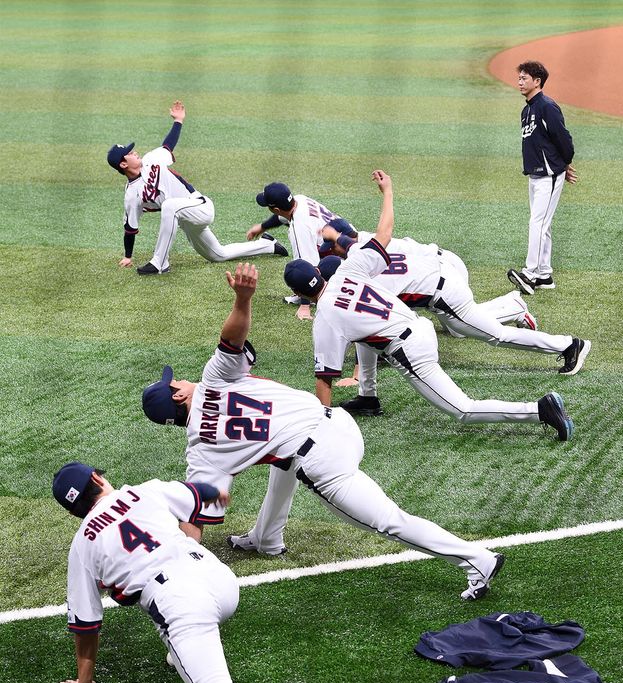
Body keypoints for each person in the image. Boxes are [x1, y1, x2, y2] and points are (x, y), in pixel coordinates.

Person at [142, 262, 505, 602]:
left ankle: (476, 560)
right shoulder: (215, 378)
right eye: (175, 381)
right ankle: (267, 538)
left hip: (323, 458)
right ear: (178, 394)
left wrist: (184, 566)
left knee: (387, 521)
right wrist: (243, 298)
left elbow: (196, 518)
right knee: (281, 457)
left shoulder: (203, 451)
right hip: (335, 425)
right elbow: (231, 339)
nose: (180, 378)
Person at [52, 461, 295, 683]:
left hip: (181, 604)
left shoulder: (82, 545)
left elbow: (85, 624)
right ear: (97, 478)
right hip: (219, 580)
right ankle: (179, 651)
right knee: (190, 630)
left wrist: (84, 682)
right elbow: (198, 493)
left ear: (73, 511)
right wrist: (218, 494)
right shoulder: (142, 491)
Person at [284, 171, 574, 441]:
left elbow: (324, 381)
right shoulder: (352, 269)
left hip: (413, 345)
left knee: (463, 409)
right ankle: (368, 397)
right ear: (320, 273)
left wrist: (321, 428)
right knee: (366, 340)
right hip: (422, 322)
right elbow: (383, 235)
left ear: (299, 292)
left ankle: (540, 410)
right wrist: (387, 191)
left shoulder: (326, 319)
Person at [318, 227, 590, 416]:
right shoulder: (359, 256)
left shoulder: (354, 280)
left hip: (443, 290)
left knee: (495, 335)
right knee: (471, 330)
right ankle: (368, 396)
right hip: (439, 270)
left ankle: (568, 345)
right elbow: (364, 334)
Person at [107, 101, 288, 276]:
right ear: (123, 164)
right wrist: (127, 256)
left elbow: (168, 145)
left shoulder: (151, 159)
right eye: (129, 153)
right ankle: (268, 245)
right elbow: (130, 227)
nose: (135, 152)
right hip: (186, 220)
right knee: (218, 255)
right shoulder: (131, 194)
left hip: (199, 206)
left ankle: (160, 263)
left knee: (170, 206)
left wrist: (178, 121)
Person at [507, 62, 576, 294]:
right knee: (542, 224)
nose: (519, 82)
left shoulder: (547, 107)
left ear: (537, 81)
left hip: (549, 175)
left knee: (538, 223)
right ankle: (545, 276)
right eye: (519, 78)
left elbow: (562, 138)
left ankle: (530, 273)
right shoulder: (527, 110)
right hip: (535, 174)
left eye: (524, 78)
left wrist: (564, 164)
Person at [246, 182, 356, 319]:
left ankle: (320, 294)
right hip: (350, 242)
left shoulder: (300, 227)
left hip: (347, 259)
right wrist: (262, 227)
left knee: (306, 269)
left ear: (276, 209)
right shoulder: (299, 199)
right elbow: (282, 217)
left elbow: (308, 266)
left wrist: (305, 305)